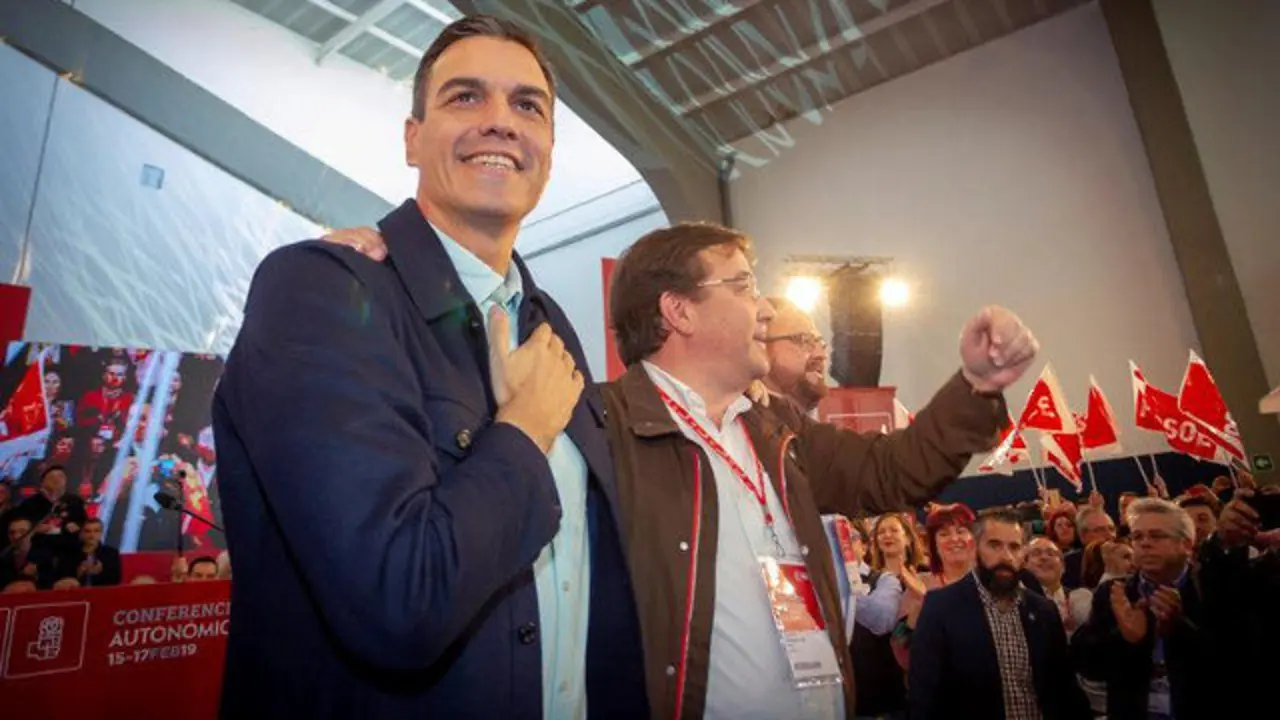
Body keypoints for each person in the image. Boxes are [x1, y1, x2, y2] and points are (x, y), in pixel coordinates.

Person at [212, 15, 645, 719]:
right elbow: (397, 598)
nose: (501, 122)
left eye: (527, 105)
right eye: (465, 97)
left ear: (549, 148)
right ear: (412, 138)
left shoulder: (549, 324)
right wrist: (524, 430)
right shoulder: (323, 291)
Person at [600, 223, 1037, 719]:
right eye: (742, 286)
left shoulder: (775, 430)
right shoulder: (605, 431)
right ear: (678, 311)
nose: (763, 308)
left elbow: (893, 469)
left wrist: (977, 385)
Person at [909, 509, 1090, 719]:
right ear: (974, 549)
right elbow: (924, 697)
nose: (1006, 556)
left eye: (1014, 547)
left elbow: (1065, 689)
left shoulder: (1043, 611)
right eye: (994, 545)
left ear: (1023, 554)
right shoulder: (940, 608)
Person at [1071, 498, 1221, 718]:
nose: (1145, 543)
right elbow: (1088, 666)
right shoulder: (1114, 593)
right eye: (1138, 536)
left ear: (1187, 545)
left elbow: (1236, 661)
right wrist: (1123, 635)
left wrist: (1178, 626)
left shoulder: (1213, 588)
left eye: (1157, 536)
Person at [760, 296, 829, 413]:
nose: (821, 354)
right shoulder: (736, 425)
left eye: (820, 342)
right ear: (760, 346)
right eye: (804, 340)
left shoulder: (808, 427)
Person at [1024, 536, 1072, 633]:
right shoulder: (1020, 603)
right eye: (1036, 554)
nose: (1044, 557)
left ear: (1063, 566)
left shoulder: (1077, 598)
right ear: (1024, 565)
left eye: (1051, 554)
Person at [1063, 504, 1115, 589]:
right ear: (1083, 536)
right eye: (1100, 530)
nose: (1109, 535)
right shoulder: (1068, 564)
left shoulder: (1126, 558)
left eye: (1112, 529)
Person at [74, 518, 122, 587]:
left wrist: (100, 573)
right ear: (82, 533)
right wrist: (79, 573)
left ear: (101, 533)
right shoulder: (72, 553)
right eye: (88, 531)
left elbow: (116, 580)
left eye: (96, 531)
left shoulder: (111, 553)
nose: (92, 535)